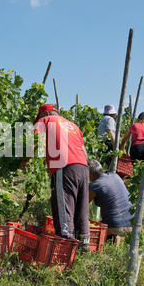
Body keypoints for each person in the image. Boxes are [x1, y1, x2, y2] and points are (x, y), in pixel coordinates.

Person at [20, 104, 91, 251]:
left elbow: (35, 143)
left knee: (64, 207)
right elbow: (84, 152)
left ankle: (65, 246)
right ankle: (84, 245)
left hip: (65, 167)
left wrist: (24, 162)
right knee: (81, 207)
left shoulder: (45, 121)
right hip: (83, 168)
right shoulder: (72, 125)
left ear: (43, 114)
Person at [88, 160, 134, 244]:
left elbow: (82, 204)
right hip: (133, 222)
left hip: (116, 226)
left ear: (90, 174)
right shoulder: (115, 176)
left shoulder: (95, 185)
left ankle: (114, 237)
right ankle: (119, 238)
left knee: (86, 231)